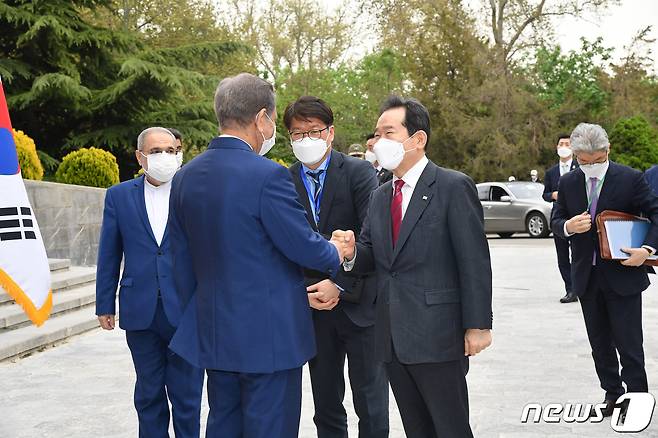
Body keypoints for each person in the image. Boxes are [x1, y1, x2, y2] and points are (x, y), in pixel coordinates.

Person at [166, 73, 350, 438]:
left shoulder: (186, 176)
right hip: (270, 338)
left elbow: (179, 261)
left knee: (224, 425)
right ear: (262, 118)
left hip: (216, 334)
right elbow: (302, 246)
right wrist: (337, 249)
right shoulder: (268, 176)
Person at [339, 95, 493, 437]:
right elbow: (373, 255)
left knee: (450, 427)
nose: (377, 142)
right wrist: (350, 252)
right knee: (416, 429)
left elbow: (474, 260)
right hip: (393, 337)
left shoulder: (452, 186)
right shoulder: (381, 195)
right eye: (376, 134)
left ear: (417, 139)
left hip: (438, 334)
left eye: (388, 133)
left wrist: (478, 324)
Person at [284, 96, 389, 438]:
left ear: (330, 133)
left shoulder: (359, 173)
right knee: (326, 403)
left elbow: (370, 237)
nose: (306, 140)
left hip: (361, 308)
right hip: (313, 309)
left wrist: (339, 284)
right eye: (298, 133)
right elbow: (283, 246)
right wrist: (306, 291)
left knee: (371, 402)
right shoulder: (283, 181)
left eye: (313, 131)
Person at [95, 127, 204, 438]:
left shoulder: (194, 193)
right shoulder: (118, 196)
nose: (165, 157)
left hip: (186, 310)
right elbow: (109, 251)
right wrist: (105, 302)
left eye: (171, 150)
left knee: (187, 397)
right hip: (140, 310)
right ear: (140, 156)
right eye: (156, 151)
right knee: (148, 394)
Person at [551, 123, 658, 417]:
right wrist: (568, 227)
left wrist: (646, 251)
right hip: (587, 276)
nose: (591, 167)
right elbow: (556, 221)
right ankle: (612, 393)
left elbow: (655, 212)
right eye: (584, 162)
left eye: (597, 160)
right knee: (599, 343)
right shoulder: (570, 182)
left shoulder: (630, 178)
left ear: (607, 151)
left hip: (624, 274)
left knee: (629, 344)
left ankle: (637, 399)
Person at [543, 134, 579, 303]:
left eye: (567, 143)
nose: (564, 146)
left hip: (578, 217)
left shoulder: (580, 166)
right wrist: (553, 195)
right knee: (562, 256)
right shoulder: (551, 172)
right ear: (557, 147)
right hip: (559, 218)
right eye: (561, 144)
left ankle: (581, 287)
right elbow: (545, 194)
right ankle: (570, 289)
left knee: (579, 254)